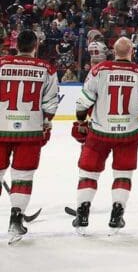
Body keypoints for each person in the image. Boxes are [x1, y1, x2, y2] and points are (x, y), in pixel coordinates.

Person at [72, 38, 138, 233]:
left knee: (89, 172)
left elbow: (83, 102)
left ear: (114, 51)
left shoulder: (99, 70)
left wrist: (81, 122)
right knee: (123, 174)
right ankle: (117, 213)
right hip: (128, 134)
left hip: (99, 132)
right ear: (132, 51)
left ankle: (83, 212)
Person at [0, 31, 60, 242]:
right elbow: (50, 105)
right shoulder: (47, 69)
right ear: (36, 46)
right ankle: (16, 219)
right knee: (23, 177)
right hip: (30, 130)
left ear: (16, 45)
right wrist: (46, 124)